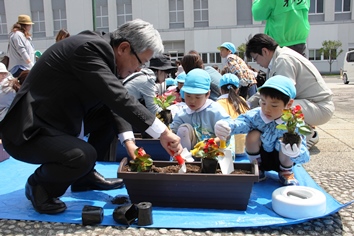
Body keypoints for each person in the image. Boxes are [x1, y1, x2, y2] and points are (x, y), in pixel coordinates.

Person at [0, 19, 183, 215]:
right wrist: (162, 132)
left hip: (55, 122)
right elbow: (117, 96)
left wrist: (129, 141)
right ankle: (40, 186)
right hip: (28, 131)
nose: (139, 70)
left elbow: (113, 102)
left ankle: (83, 176)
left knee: (106, 117)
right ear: (124, 48)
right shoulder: (90, 49)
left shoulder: (105, 54)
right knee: (83, 155)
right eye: (141, 62)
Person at [215, 75, 310, 186]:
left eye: (274, 105)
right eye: (263, 103)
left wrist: (296, 152)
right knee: (252, 135)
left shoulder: (293, 122)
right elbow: (243, 122)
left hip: (283, 158)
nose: (266, 109)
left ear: (288, 104)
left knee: (286, 141)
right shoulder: (256, 115)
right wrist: (228, 126)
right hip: (261, 156)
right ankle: (257, 168)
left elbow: (305, 155)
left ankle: (285, 172)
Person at [246, 33, 334, 150]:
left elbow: (280, 94)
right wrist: (248, 104)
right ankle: (301, 134)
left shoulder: (283, 60)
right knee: (273, 106)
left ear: (265, 51)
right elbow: (267, 92)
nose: (257, 63)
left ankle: (307, 136)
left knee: (277, 106)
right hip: (310, 104)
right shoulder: (277, 61)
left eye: (256, 58)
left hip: (319, 107)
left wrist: (253, 106)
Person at [170, 68, 230, 151]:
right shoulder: (182, 114)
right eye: (188, 96)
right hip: (191, 155)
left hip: (214, 154)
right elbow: (172, 132)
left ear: (207, 94)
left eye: (197, 97)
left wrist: (209, 144)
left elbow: (227, 133)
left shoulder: (215, 111)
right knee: (183, 129)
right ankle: (186, 161)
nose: (192, 101)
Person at [217, 73, 249, 157]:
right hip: (245, 149)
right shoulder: (242, 101)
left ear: (220, 89)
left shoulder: (217, 104)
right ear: (237, 89)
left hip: (228, 150)